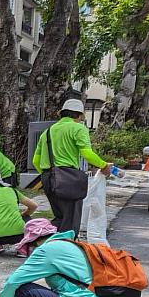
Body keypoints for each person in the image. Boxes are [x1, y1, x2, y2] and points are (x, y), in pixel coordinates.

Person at [33, 99, 111, 235]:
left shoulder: (47, 132)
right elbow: (87, 153)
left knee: (60, 217)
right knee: (71, 220)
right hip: (67, 178)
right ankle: (65, 247)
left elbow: (35, 160)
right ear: (79, 115)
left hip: (47, 178)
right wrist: (103, 165)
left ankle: (44, 240)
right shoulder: (78, 128)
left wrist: (50, 175)